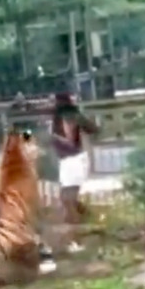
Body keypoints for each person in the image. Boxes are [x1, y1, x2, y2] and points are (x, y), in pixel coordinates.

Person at [50, 92, 98, 253]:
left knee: (67, 201)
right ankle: (85, 222)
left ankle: (76, 240)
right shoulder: (69, 114)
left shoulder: (67, 115)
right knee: (68, 201)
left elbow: (73, 138)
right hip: (70, 161)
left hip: (73, 160)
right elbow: (93, 129)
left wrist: (56, 138)